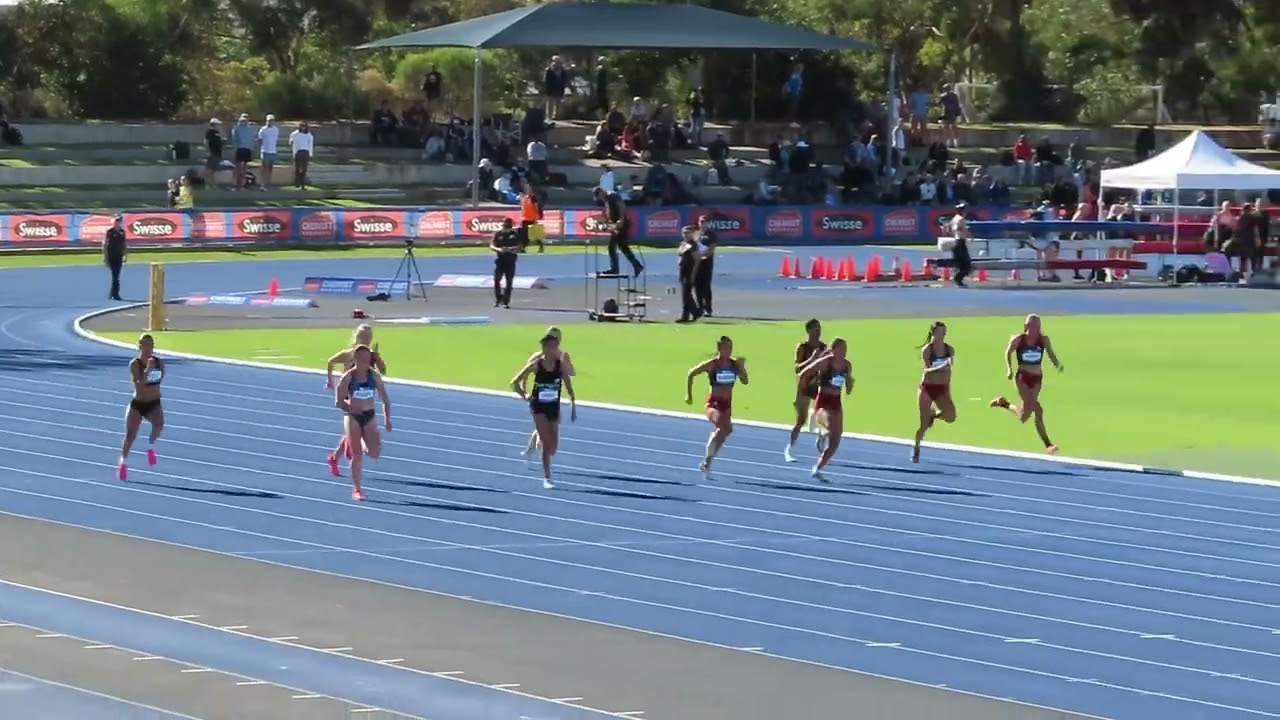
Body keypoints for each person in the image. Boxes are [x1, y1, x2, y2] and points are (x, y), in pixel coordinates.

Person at [991, 314, 1063, 454]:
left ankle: (1004, 403)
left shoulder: (1043, 340)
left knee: (1024, 416)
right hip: (1022, 378)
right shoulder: (1019, 339)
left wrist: (1057, 365)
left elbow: (1051, 354)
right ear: (1026, 326)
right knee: (1038, 409)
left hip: (1036, 379)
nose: (1035, 329)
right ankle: (1048, 445)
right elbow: (1008, 353)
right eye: (1032, 326)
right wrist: (1009, 369)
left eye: (1038, 326)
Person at [512, 333, 576, 489]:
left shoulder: (560, 366)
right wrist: (525, 395)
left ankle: (541, 445)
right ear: (545, 348)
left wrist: (573, 406)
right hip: (538, 406)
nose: (556, 349)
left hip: (553, 407)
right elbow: (514, 383)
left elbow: (569, 387)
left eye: (556, 346)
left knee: (553, 448)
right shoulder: (536, 365)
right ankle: (547, 478)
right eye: (552, 346)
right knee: (547, 443)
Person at [324, 325, 387, 476]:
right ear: (358, 337)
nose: (367, 340)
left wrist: (378, 359)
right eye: (365, 337)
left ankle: (334, 457)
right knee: (355, 424)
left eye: (369, 338)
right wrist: (330, 381)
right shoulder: (348, 354)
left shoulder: (371, 355)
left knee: (354, 429)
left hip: (365, 394)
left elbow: (383, 371)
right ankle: (350, 448)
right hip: (349, 394)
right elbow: (330, 361)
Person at [685, 336, 748, 480]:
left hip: (727, 405)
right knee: (722, 427)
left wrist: (741, 367)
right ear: (720, 349)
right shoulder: (712, 364)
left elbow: (745, 381)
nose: (729, 350)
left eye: (731, 347)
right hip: (714, 403)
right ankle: (707, 460)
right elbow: (691, 374)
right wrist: (688, 395)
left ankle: (707, 461)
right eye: (726, 347)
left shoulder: (733, 365)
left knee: (727, 430)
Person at [334, 344, 392, 501]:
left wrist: (387, 420)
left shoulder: (374, 377)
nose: (365, 362)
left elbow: (385, 399)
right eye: (361, 359)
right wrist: (351, 409)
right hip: (353, 416)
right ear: (355, 359)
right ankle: (357, 489)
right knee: (357, 455)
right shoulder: (347, 377)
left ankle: (354, 439)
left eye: (367, 359)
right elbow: (338, 402)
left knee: (374, 453)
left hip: (369, 415)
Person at [796, 338, 854, 482]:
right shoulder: (825, 362)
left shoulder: (847, 366)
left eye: (845, 350)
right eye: (841, 350)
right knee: (830, 426)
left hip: (836, 402)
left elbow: (848, 389)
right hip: (823, 401)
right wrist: (804, 389)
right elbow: (803, 374)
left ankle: (817, 468)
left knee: (836, 441)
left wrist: (850, 383)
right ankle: (822, 434)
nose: (844, 353)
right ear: (833, 350)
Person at [521, 326, 575, 463]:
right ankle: (537, 449)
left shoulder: (563, 356)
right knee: (543, 428)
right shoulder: (538, 357)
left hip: (553, 399)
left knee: (546, 428)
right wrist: (525, 393)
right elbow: (525, 374)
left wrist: (564, 363)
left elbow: (571, 372)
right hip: (538, 398)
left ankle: (530, 450)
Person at [118, 333, 165, 481]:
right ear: (140, 346)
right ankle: (123, 461)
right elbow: (138, 387)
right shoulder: (135, 364)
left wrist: (153, 372)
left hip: (153, 403)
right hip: (138, 404)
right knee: (130, 436)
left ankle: (150, 446)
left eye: (150, 345)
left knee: (159, 424)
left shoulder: (159, 362)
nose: (148, 348)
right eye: (145, 344)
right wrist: (147, 370)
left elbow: (158, 382)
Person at [912, 321, 957, 463]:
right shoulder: (927, 350)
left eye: (944, 332)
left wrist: (948, 393)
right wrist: (940, 368)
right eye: (939, 332)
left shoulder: (949, 350)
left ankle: (935, 415)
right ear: (933, 333)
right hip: (927, 388)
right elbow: (926, 371)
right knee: (923, 424)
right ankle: (916, 448)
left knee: (951, 416)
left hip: (942, 388)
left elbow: (949, 372)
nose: (942, 335)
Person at [785, 318, 826, 462]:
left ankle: (821, 439)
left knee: (826, 416)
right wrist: (812, 359)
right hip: (804, 386)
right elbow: (797, 368)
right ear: (808, 331)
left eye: (819, 328)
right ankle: (789, 449)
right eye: (815, 329)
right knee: (800, 420)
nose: (818, 331)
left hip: (818, 385)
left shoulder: (824, 347)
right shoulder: (802, 347)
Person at [593, 186, 644, 277]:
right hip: (616, 225)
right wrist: (606, 224)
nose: (600, 199)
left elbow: (621, 206)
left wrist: (621, 219)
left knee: (613, 247)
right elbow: (610, 214)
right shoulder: (606, 200)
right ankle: (636, 265)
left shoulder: (612, 195)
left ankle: (616, 268)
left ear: (601, 192)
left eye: (599, 196)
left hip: (621, 224)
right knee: (622, 246)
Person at [490, 217, 522, 308]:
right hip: (500, 260)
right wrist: (499, 249)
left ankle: (506, 301)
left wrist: (509, 249)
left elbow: (519, 246)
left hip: (510, 260)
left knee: (509, 281)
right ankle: (498, 298)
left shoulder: (515, 235)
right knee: (497, 279)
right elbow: (492, 245)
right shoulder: (498, 234)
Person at [676, 225, 703, 322]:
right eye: (684, 233)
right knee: (685, 294)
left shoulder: (693, 245)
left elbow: (697, 260)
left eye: (688, 233)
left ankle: (696, 312)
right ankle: (686, 315)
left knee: (686, 294)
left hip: (689, 270)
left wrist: (693, 274)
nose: (686, 235)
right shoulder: (683, 243)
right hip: (682, 270)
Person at [694, 214, 717, 316]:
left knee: (706, 286)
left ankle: (708, 308)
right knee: (697, 286)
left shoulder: (711, 235)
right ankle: (700, 308)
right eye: (701, 222)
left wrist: (703, 256)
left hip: (706, 264)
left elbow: (711, 249)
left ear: (708, 223)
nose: (702, 224)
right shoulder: (696, 234)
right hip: (696, 264)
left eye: (704, 222)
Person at [949, 202, 973, 287]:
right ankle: (957, 278)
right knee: (967, 265)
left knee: (961, 263)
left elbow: (949, 229)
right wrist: (968, 235)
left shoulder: (954, 219)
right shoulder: (960, 219)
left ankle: (958, 279)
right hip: (960, 242)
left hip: (956, 241)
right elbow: (960, 229)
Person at [103, 215, 127, 301]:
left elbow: (124, 244)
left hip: (119, 255)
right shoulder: (110, 232)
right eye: (117, 221)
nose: (118, 223)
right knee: (115, 275)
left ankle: (113, 293)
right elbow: (105, 244)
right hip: (111, 255)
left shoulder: (122, 232)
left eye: (119, 221)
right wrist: (105, 257)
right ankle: (115, 294)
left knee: (116, 275)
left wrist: (125, 255)